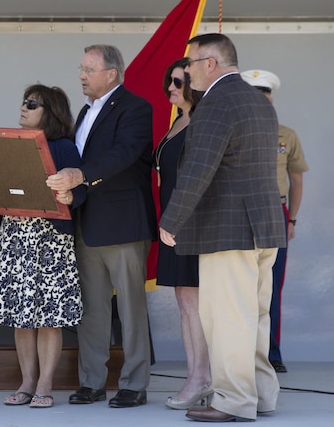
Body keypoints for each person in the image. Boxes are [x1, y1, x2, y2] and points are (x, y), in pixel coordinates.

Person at [159, 34, 286, 422]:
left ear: (210, 63)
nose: (187, 69)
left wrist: (171, 219)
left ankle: (232, 401)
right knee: (256, 318)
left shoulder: (216, 103)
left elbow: (198, 170)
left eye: (191, 63)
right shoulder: (257, 101)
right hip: (263, 227)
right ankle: (261, 396)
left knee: (229, 320)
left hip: (227, 230)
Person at [47, 44, 157, 408]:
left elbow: (123, 155)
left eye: (88, 69)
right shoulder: (84, 112)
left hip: (123, 225)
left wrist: (80, 175)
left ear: (111, 74)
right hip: (86, 223)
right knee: (91, 308)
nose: (81, 75)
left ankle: (134, 383)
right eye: (81, 68)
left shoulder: (136, 108)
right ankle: (92, 382)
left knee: (130, 309)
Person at [0, 85, 87, 409]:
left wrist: (70, 195)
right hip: (15, 239)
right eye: (24, 102)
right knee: (21, 317)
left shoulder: (64, 147)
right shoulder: (9, 144)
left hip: (51, 239)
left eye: (31, 103)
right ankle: (26, 382)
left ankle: (45, 384)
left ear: (49, 112)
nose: (23, 107)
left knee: (49, 316)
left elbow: (83, 191)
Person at [241, 69, 309, 374]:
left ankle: (271, 352)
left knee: (271, 286)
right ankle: (239, 352)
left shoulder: (287, 135)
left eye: (265, 98)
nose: (262, 104)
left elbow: (296, 179)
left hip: (275, 211)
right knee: (237, 285)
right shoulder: (233, 133)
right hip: (239, 213)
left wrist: (291, 218)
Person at [153, 58, 211, 410]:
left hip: (191, 224)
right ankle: (197, 376)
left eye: (177, 82)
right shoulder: (179, 121)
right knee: (186, 304)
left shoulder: (202, 122)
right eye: (169, 83)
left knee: (196, 306)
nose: (171, 89)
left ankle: (201, 378)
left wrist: (177, 221)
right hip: (172, 224)